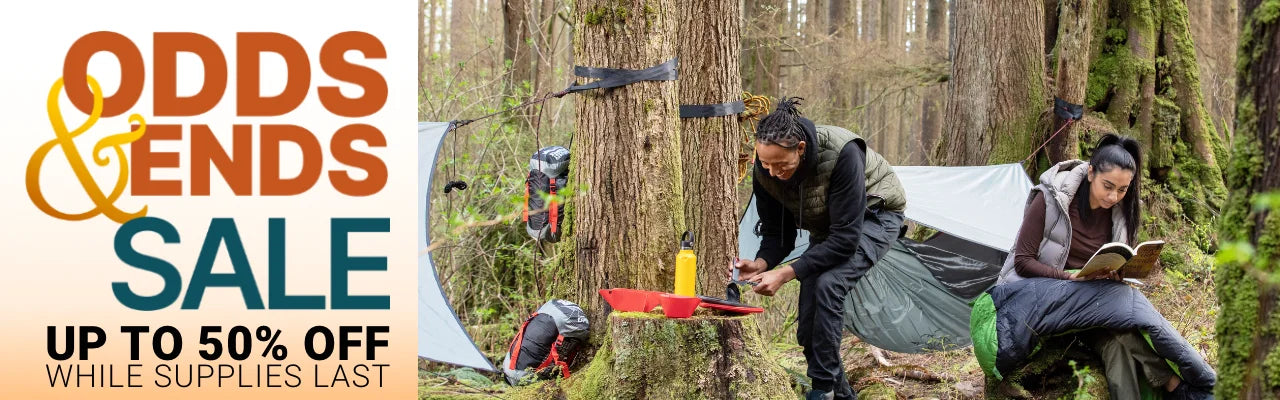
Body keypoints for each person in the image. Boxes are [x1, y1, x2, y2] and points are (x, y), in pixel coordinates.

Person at [996, 134, 1210, 399]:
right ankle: (1180, 385)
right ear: (1090, 172)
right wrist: (1070, 278)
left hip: (1090, 310)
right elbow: (1022, 261)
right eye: (1107, 186)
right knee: (1124, 303)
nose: (1113, 196)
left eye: (1122, 190)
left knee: (1117, 345)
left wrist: (1120, 273)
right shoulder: (1050, 199)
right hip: (1033, 300)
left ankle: (1172, 387)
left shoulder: (1122, 215)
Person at [730, 98, 906, 400]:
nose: (773, 172)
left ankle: (821, 390)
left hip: (876, 216)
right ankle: (840, 395)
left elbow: (846, 241)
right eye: (766, 163)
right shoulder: (766, 170)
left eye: (781, 164)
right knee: (809, 327)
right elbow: (778, 233)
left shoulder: (842, 153)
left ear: (800, 148)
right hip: (831, 229)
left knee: (829, 284)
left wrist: (785, 273)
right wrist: (761, 263)